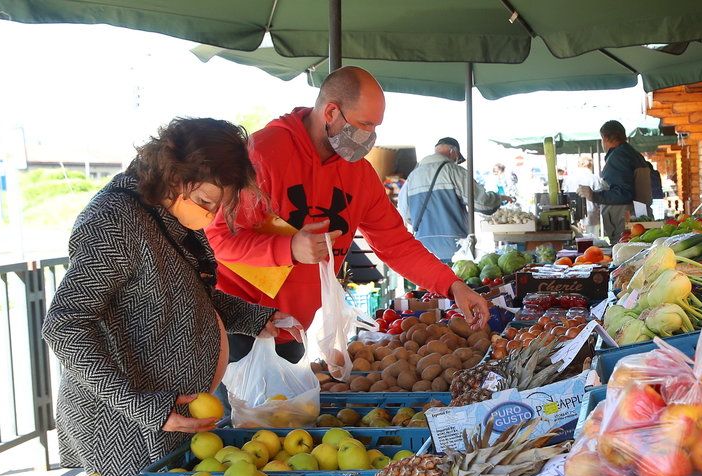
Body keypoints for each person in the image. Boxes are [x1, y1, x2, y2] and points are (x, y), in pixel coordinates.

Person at [43, 118, 291, 476]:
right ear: (174, 175)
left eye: (216, 206)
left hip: (171, 415)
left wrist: (254, 317)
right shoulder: (114, 220)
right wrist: (140, 405)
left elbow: (185, 295)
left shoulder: (166, 214)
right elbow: (64, 325)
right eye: (206, 201)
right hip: (125, 428)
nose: (209, 214)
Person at [207, 67, 491, 369]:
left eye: (375, 127)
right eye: (364, 125)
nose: (369, 138)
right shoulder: (262, 155)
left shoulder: (360, 175)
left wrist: (453, 286)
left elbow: (396, 245)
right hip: (240, 328)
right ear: (331, 112)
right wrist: (290, 249)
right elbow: (218, 239)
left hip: (291, 332)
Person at [398, 137, 512, 262]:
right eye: (457, 158)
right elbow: (483, 203)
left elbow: (405, 213)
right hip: (454, 250)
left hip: (423, 250)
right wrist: (498, 198)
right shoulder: (453, 171)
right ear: (453, 152)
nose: (456, 161)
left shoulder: (412, 177)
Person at [578, 120, 649, 243]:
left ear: (605, 138)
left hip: (623, 224)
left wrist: (593, 195)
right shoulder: (634, 155)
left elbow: (623, 193)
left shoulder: (617, 157)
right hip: (637, 220)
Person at [563, 155, 600, 233]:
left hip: (573, 214)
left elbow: (564, 196)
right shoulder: (594, 178)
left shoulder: (569, 178)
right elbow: (599, 197)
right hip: (591, 214)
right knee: (592, 241)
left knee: (576, 239)